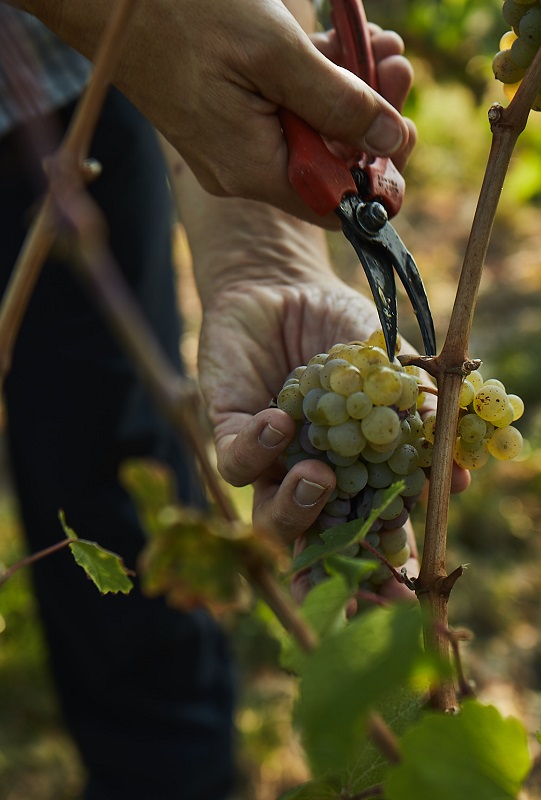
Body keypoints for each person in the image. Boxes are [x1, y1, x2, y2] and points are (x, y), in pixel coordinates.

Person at [0, 1, 463, 797]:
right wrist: (141, 23)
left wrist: (265, 253)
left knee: (112, 484)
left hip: (68, 80)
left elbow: (200, 47)